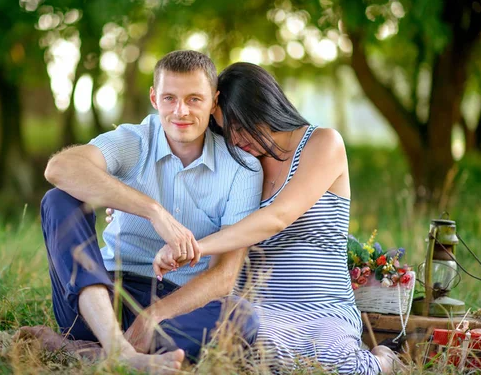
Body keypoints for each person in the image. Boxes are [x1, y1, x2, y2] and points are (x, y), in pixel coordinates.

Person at [153, 62, 401, 374]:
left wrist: (199, 247)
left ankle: (382, 361)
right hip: (259, 310)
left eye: (240, 126)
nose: (235, 139)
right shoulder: (240, 165)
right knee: (247, 352)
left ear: (263, 106)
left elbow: (278, 216)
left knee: (338, 366)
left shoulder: (322, 143)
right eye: (225, 132)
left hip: (322, 306)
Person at [31, 51, 263, 373]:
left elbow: (224, 276)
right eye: (170, 98)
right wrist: (154, 212)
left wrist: (151, 317)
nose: (180, 111)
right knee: (59, 200)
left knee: (242, 316)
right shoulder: (135, 141)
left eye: (194, 99)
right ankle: (116, 350)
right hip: (101, 298)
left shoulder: (242, 168)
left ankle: (87, 353)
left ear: (214, 102)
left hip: (178, 307)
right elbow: (60, 167)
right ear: (154, 98)